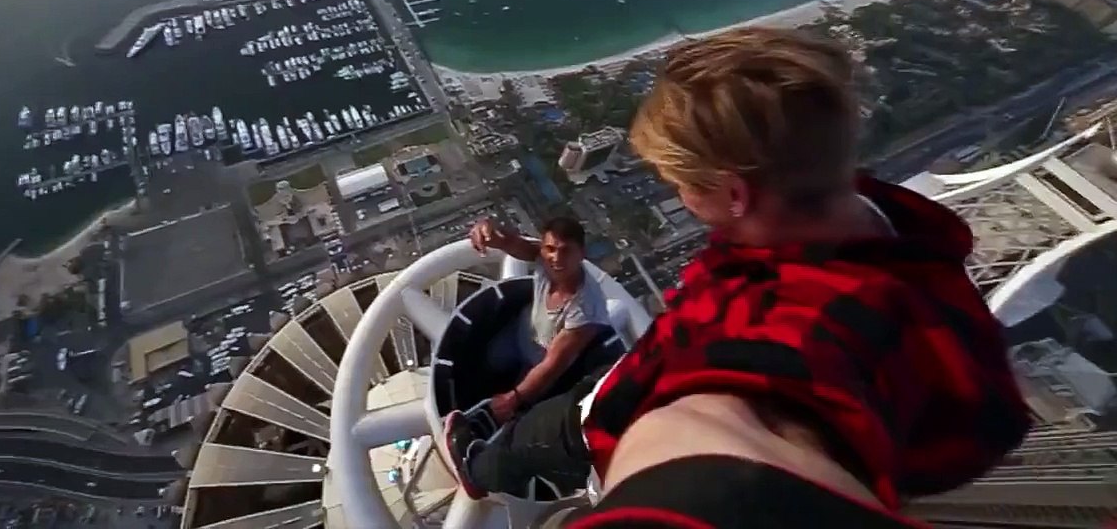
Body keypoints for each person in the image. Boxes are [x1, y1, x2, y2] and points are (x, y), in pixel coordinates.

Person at [441, 28, 1030, 525]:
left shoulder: (766, 326)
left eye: (681, 183)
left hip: (604, 424)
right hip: (630, 384)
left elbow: (729, 442)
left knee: (529, 441)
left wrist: (671, 465)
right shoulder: (895, 231)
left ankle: (474, 466)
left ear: (734, 193)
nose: (679, 195)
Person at [468, 215, 618, 423]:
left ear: (582, 254)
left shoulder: (586, 308)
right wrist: (488, 228)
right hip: (521, 333)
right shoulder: (544, 258)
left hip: (537, 360)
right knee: (491, 361)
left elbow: (553, 364)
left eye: (566, 251)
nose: (556, 258)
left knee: (517, 409)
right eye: (550, 249)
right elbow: (510, 242)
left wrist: (514, 397)